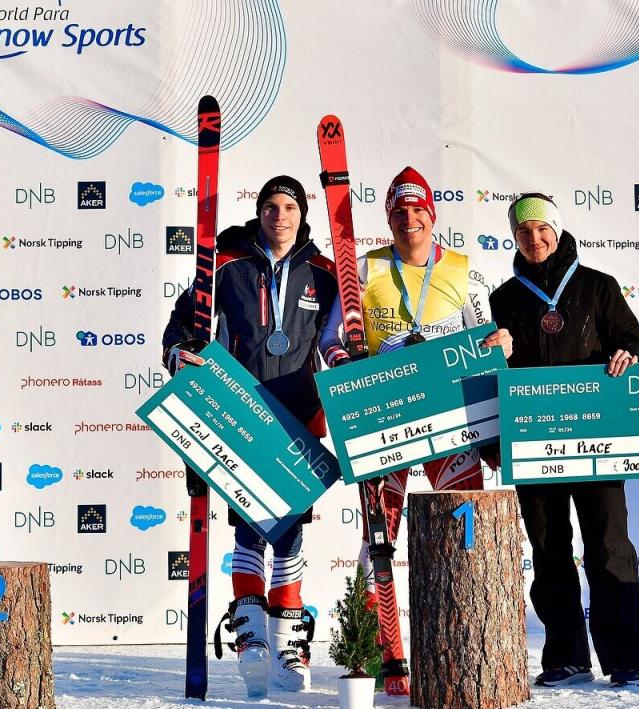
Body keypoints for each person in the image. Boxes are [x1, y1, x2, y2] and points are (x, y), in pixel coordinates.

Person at [318, 165, 512, 666]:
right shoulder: (364, 270)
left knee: (465, 524)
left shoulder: (466, 271)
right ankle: (374, 654)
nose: (410, 219)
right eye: (400, 211)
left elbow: (489, 339)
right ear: (389, 217)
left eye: (417, 209)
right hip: (388, 419)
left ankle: (472, 645)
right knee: (378, 534)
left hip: (452, 425)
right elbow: (330, 339)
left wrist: (502, 344)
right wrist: (346, 365)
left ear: (432, 214)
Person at [162, 175, 338, 694]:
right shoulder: (225, 264)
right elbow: (182, 325)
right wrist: (179, 354)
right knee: (247, 528)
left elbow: (336, 343)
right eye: (270, 207)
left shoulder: (326, 274)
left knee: (288, 530)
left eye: (288, 207)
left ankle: (288, 644)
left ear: (302, 214)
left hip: (299, 417)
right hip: (240, 415)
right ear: (258, 213)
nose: (279, 215)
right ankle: (252, 639)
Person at [486, 192, 639, 688]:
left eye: (541, 230)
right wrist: (497, 352)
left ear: (556, 232)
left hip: (598, 442)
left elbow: (637, 343)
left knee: (608, 546)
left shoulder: (599, 287)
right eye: (522, 232)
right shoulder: (503, 298)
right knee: (548, 549)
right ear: (513, 237)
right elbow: (493, 376)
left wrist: (628, 355)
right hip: (536, 447)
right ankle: (566, 657)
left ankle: (623, 659)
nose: (533, 240)